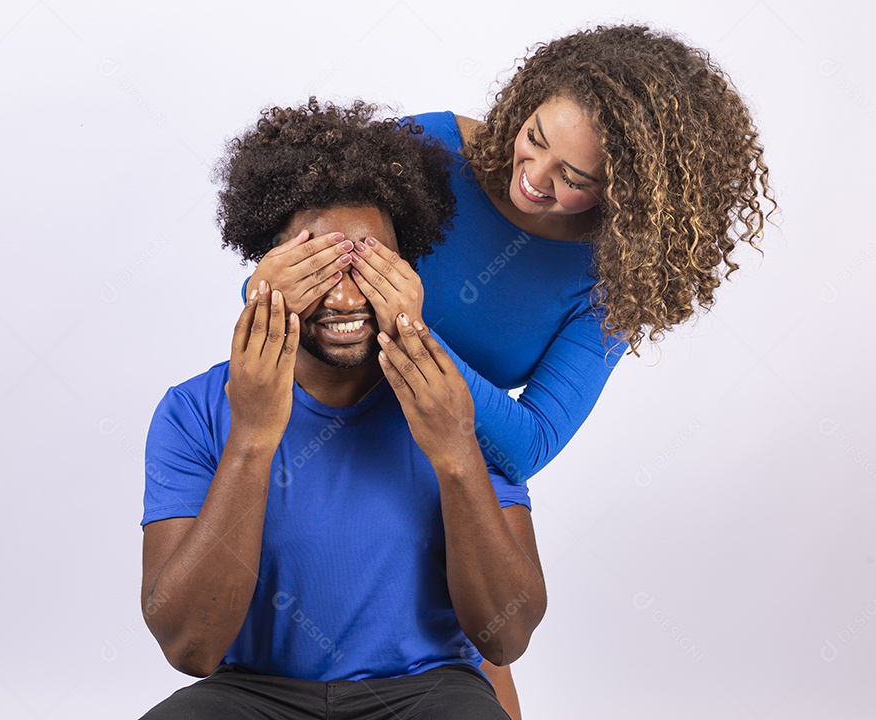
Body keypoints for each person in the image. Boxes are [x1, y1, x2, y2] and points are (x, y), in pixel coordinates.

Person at [243, 23, 777, 712]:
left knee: (484, 654)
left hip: (447, 469)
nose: (535, 178)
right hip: (320, 431)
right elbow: (282, 282)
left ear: (629, 191)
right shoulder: (429, 149)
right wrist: (284, 292)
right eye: (535, 137)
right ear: (525, 99)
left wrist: (407, 330)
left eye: (577, 179)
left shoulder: (611, 278)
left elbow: (527, 443)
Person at [138, 101, 546, 720]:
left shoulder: (454, 401)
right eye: (317, 264)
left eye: (369, 265)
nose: (348, 295)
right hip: (255, 694)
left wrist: (456, 448)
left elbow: (506, 636)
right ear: (267, 272)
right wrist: (252, 434)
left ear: (406, 267)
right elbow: (191, 648)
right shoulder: (193, 412)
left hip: (424, 692)